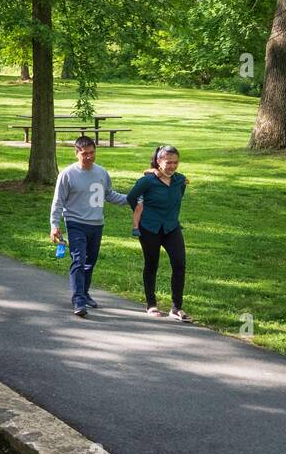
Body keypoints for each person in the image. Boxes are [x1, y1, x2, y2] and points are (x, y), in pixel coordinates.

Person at [50, 136, 131, 317]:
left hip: (96, 224)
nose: (89, 157)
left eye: (92, 152)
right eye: (84, 153)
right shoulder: (67, 174)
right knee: (78, 260)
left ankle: (85, 293)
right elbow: (58, 202)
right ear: (76, 153)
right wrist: (54, 225)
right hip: (75, 223)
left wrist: (131, 200)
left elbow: (109, 195)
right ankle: (78, 300)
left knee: (90, 262)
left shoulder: (101, 173)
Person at [127, 145, 192, 321]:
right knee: (151, 264)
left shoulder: (180, 180)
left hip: (171, 227)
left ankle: (176, 308)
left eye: (176, 162)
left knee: (179, 264)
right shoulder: (147, 181)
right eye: (168, 162)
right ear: (158, 161)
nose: (172, 166)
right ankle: (151, 304)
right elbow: (131, 198)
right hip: (150, 228)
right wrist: (142, 216)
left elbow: (179, 195)